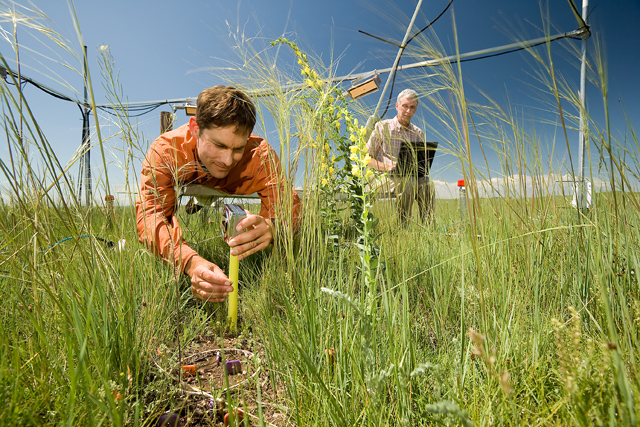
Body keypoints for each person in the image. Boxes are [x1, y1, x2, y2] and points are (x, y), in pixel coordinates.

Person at [136, 86, 301, 303]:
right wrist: (190, 262)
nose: (227, 160)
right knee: (196, 196)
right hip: (191, 181)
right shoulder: (166, 149)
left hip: (229, 186)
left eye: (237, 149)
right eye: (218, 145)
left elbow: (288, 207)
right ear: (195, 127)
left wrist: (272, 227)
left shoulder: (259, 155)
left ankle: (201, 198)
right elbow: (150, 217)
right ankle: (198, 201)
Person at [366, 88, 435, 224]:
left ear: (415, 109)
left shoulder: (418, 133)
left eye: (412, 107)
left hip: (409, 176)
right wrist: (388, 167)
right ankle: (403, 227)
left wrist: (420, 168)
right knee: (407, 182)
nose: (408, 111)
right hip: (381, 177)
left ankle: (429, 228)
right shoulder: (382, 126)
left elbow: (420, 161)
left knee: (427, 184)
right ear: (397, 106)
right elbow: (366, 158)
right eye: (405, 106)